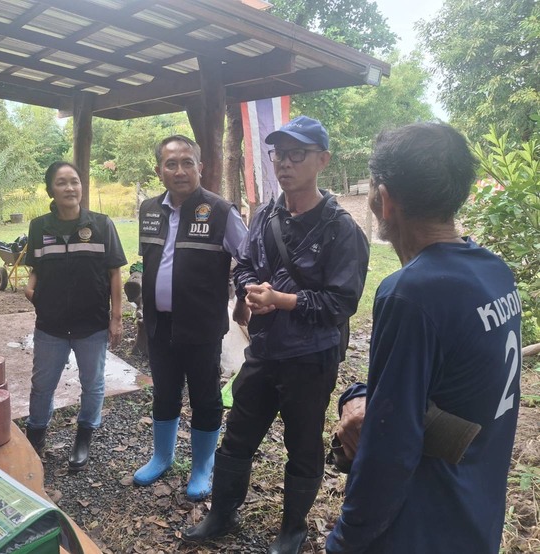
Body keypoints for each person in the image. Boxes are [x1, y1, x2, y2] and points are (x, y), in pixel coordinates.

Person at [326, 123, 521, 554]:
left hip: (423, 526)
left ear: (384, 199)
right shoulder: (494, 272)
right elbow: (447, 389)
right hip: (477, 512)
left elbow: (390, 449)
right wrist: (361, 394)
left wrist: (346, 539)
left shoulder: (411, 294)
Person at [183, 116, 370, 553]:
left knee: (302, 444)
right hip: (265, 350)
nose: (284, 163)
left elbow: (340, 304)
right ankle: (222, 513)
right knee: (238, 434)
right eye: (279, 154)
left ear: (322, 160)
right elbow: (245, 263)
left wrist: (281, 300)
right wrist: (250, 290)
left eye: (296, 154)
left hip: (311, 357)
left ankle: (292, 530)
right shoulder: (266, 214)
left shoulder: (342, 229)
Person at [133, 135, 248, 501]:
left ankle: (201, 467)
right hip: (159, 324)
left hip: (201, 326)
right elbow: (149, 261)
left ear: (200, 167)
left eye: (187, 163)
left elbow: (248, 259)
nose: (179, 170)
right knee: (165, 392)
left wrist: (243, 301)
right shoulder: (149, 210)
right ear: (159, 171)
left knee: (205, 397)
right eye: (171, 164)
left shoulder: (221, 211)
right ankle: (162, 457)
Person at [23, 161, 127, 471]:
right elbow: (36, 268)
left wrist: (116, 317)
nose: (70, 188)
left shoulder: (101, 224)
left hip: (91, 323)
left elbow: (114, 273)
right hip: (51, 324)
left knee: (92, 383)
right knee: (42, 385)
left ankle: (84, 436)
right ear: (50, 190)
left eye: (75, 181)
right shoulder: (39, 227)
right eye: (62, 182)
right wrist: (30, 289)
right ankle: (35, 435)